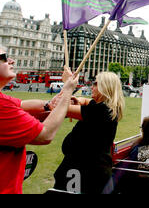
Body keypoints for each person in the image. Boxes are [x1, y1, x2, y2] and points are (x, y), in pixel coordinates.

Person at [0, 46, 79, 194]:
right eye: (4, 57)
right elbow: (45, 134)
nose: (11, 60)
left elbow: (22, 105)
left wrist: (50, 104)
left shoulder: (4, 100)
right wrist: (68, 91)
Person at [52, 71, 124, 194]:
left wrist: (66, 85)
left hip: (83, 172)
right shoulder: (106, 108)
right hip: (93, 170)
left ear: (105, 87)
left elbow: (58, 106)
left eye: (96, 84)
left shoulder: (99, 111)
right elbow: (86, 102)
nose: (92, 86)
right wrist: (79, 100)